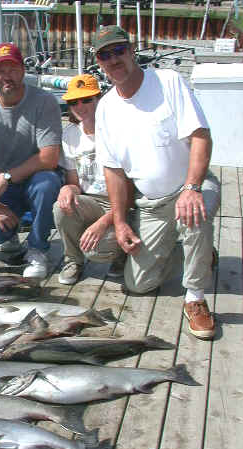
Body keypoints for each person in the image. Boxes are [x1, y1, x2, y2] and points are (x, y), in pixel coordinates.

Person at [94, 25, 220, 340]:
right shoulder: (106, 108)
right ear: (99, 62)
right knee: (139, 284)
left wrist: (191, 188)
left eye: (119, 50)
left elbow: (201, 137)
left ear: (131, 51)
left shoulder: (168, 81)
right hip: (152, 204)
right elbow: (114, 172)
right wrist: (120, 222)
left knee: (194, 213)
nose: (113, 59)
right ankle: (200, 253)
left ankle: (195, 297)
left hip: (191, 186)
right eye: (105, 55)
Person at [0, 42, 62, 279]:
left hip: (38, 177)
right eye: (0, 70)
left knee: (46, 184)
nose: (7, 76)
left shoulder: (44, 101)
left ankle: (37, 249)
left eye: (13, 69)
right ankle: (11, 234)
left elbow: (49, 158)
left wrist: (5, 177)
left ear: (23, 70)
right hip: (6, 188)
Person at [53, 73, 127, 285]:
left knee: (95, 250)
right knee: (61, 206)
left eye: (87, 99)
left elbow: (130, 191)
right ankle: (73, 260)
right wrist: (68, 189)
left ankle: (121, 255)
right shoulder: (69, 135)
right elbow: (75, 182)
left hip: (122, 203)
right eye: (73, 102)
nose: (80, 106)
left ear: (99, 99)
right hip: (92, 201)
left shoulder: (119, 130)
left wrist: (102, 223)